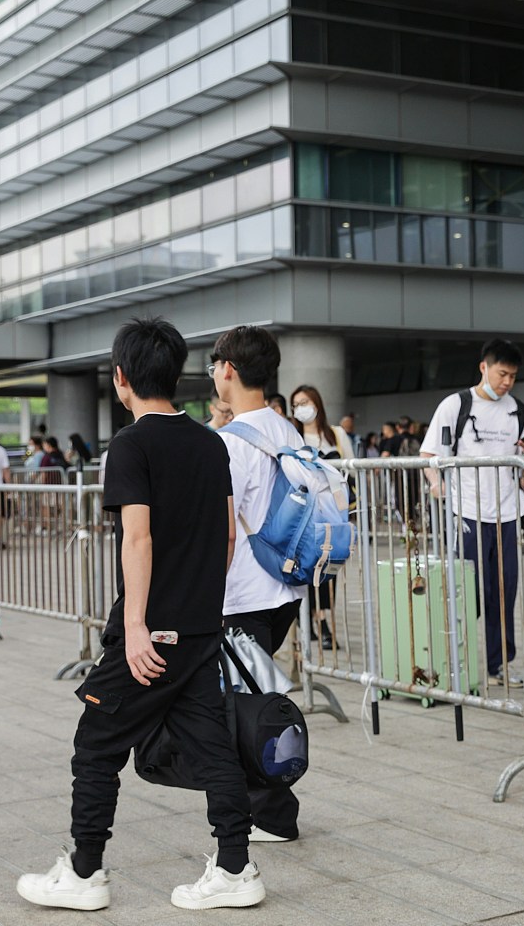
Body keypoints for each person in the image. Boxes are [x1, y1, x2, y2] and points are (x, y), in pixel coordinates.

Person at [17, 317, 263, 912]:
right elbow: (227, 535)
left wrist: (135, 627)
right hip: (202, 628)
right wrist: (198, 601)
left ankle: (83, 873)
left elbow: (138, 539)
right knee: (213, 748)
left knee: (96, 746)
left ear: (120, 378)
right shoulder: (212, 442)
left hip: (152, 635)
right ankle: (235, 867)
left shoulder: (130, 445)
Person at [212, 326, 308, 844]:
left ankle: (271, 812)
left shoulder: (230, 443)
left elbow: (224, 529)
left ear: (228, 368)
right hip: (284, 588)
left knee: (244, 706)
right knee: (256, 697)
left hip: (243, 593)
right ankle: (266, 804)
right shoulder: (285, 429)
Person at [420, 339, 524, 687]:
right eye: (502, 374)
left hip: (506, 514)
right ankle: (461, 661)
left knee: (504, 590)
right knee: (465, 590)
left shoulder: (517, 410)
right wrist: (439, 488)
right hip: (466, 514)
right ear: (484, 367)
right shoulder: (456, 405)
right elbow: (429, 456)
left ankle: (499, 665)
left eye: (513, 376)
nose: (507, 382)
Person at [290, 385, 354, 648]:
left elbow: (352, 466)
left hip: (333, 514)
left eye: (305, 401)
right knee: (307, 566)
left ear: (317, 403)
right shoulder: (293, 436)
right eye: (296, 404)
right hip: (306, 515)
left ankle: (323, 620)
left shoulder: (336, 434)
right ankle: (312, 620)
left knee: (331, 565)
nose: (301, 407)